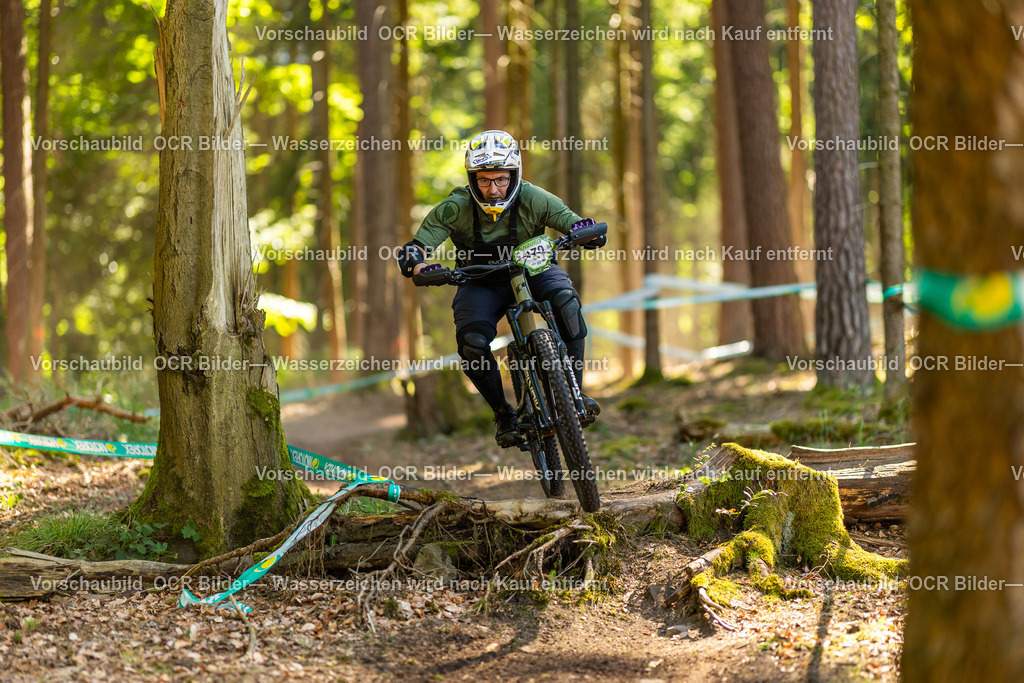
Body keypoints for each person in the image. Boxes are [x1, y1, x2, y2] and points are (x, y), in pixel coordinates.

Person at [397, 129, 606, 447]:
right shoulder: (455, 207)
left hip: (535, 270)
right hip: (480, 282)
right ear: (472, 178)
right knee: (472, 343)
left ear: (514, 175)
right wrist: (418, 265)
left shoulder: (535, 198)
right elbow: (416, 248)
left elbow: (572, 221)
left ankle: (574, 394)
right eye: (484, 180)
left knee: (566, 302)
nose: (493, 189)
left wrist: (586, 232)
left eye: (501, 180)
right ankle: (503, 414)